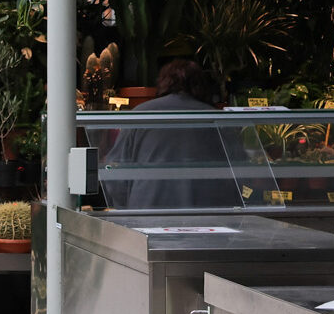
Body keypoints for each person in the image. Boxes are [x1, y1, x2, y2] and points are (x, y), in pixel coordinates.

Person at [102, 59, 238, 209]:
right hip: (208, 217)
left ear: (163, 83)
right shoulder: (216, 119)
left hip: (146, 213)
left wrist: (129, 208)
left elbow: (114, 172)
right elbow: (240, 172)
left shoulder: (140, 114)